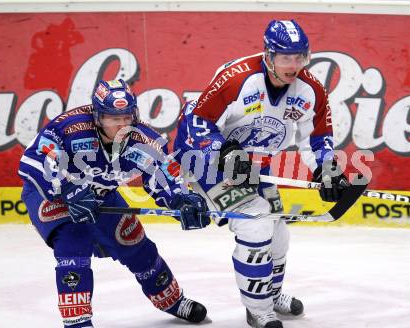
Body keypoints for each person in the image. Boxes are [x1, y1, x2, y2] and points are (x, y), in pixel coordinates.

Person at [174, 19, 349, 328]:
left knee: (278, 233)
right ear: (268, 55)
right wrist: (222, 152)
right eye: (285, 57)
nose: (293, 65)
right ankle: (257, 309)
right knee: (256, 223)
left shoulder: (311, 90)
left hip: (256, 165)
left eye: (300, 57)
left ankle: (269, 294)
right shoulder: (237, 79)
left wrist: (326, 168)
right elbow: (197, 121)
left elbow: (317, 137)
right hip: (207, 161)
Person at [18, 79, 211, 328]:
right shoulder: (70, 127)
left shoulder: (142, 138)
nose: (121, 124)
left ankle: (172, 300)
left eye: (126, 116)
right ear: (98, 117)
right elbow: (33, 159)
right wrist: (66, 188)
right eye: (112, 118)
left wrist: (181, 198)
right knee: (74, 244)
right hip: (52, 195)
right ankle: (78, 322)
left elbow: (163, 170)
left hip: (102, 197)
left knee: (136, 244)